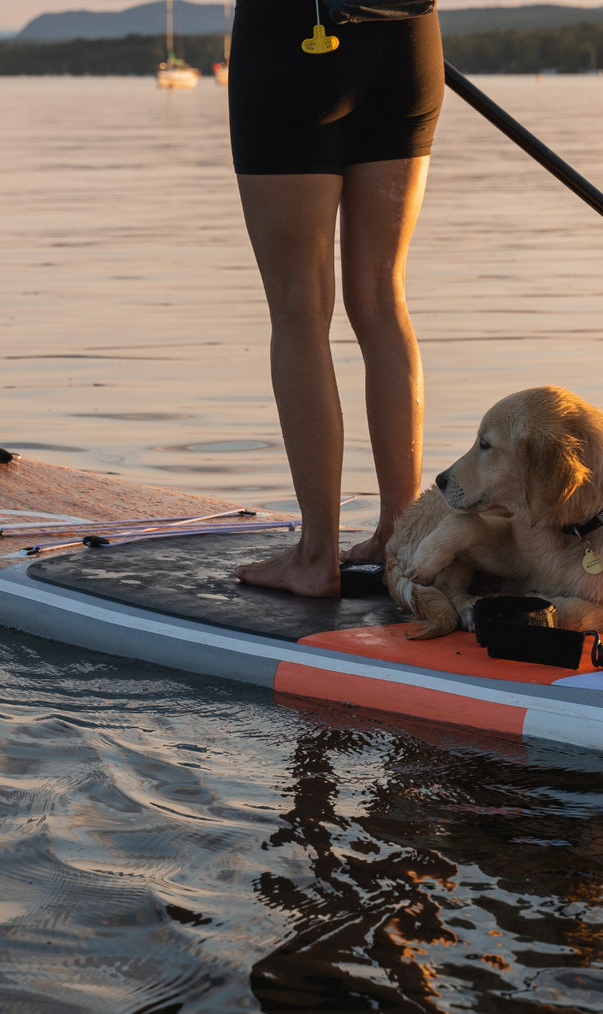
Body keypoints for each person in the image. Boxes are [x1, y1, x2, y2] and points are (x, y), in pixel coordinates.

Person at [227, 0, 444, 596]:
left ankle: (316, 554)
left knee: (300, 309)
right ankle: (402, 538)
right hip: (407, 44)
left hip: (294, 38)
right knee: (382, 297)